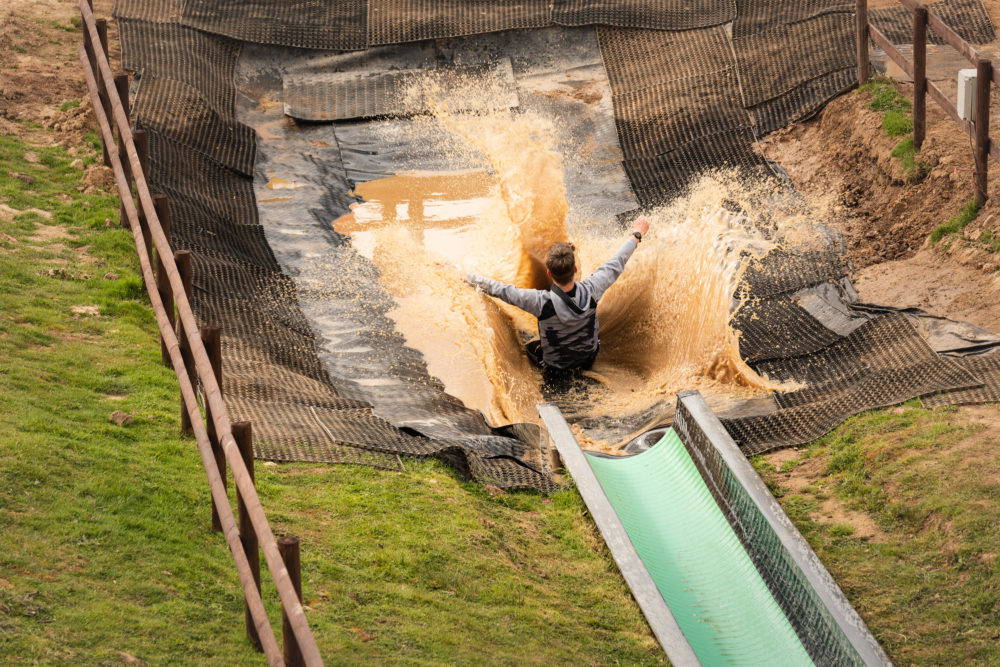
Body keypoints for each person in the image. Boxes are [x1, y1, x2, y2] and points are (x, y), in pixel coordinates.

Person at [466, 217, 650, 385]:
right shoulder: (593, 289)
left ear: (548, 273)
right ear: (575, 269)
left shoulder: (539, 302)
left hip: (556, 368)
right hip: (588, 359)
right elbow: (617, 262)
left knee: (529, 346)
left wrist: (463, 275)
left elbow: (499, 289)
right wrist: (637, 234)